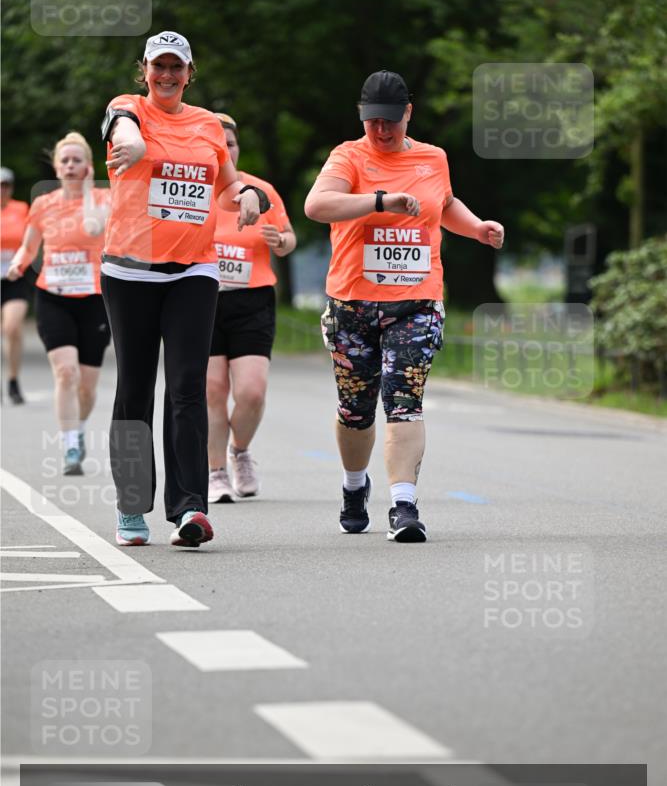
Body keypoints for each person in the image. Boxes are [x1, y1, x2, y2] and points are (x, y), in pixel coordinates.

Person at [305, 70, 504, 542]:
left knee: (404, 401)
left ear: (408, 113)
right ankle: (355, 486)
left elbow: (445, 204)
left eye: (391, 120)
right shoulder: (348, 157)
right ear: (361, 116)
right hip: (352, 303)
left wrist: (477, 227)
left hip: (416, 302)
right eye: (373, 120)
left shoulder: (433, 158)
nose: (382, 130)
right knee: (355, 410)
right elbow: (317, 205)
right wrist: (380, 202)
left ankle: (404, 505)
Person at [100, 30, 269, 548]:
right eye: (159, 66)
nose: (168, 75)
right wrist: (131, 140)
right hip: (131, 271)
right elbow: (120, 124)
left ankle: (190, 507)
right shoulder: (129, 109)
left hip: (194, 271)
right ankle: (132, 505)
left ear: (190, 73)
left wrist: (249, 195)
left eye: (177, 67)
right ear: (145, 71)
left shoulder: (207, 124)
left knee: (188, 387)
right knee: (134, 388)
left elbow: (227, 183)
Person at [6, 135, 111, 473]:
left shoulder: (104, 199)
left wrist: (89, 193)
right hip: (53, 295)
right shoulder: (43, 204)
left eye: (77, 160)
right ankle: (69, 445)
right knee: (66, 372)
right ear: (55, 167)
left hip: (95, 298)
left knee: (87, 386)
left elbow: (97, 228)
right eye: (64, 160)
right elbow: (29, 246)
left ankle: (78, 427)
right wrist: (18, 263)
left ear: (88, 166)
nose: (70, 165)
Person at [207, 113, 296, 503]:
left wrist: (281, 242)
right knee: (212, 391)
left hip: (253, 298)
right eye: (217, 144)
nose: (224, 150)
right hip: (202, 300)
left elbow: (289, 238)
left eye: (230, 144)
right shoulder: (192, 190)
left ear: (237, 148)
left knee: (252, 392)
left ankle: (239, 451)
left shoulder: (261, 190)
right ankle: (215, 472)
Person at [1, 167, 30, 404]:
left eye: (5, 185)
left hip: (14, 278)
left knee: (11, 328)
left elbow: (31, 241)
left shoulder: (21, 209)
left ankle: (12, 380)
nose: (2, 190)